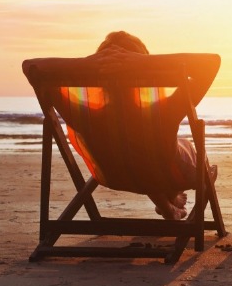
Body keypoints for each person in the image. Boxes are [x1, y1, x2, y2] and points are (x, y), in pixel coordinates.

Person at [77, 31, 214, 220]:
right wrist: (139, 62)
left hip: (114, 175)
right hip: (165, 174)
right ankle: (172, 195)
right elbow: (211, 64)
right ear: (145, 70)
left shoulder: (86, 114)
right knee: (178, 149)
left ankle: (168, 205)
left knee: (141, 155)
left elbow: (30, 67)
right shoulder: (162, 112)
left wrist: (92, 64)